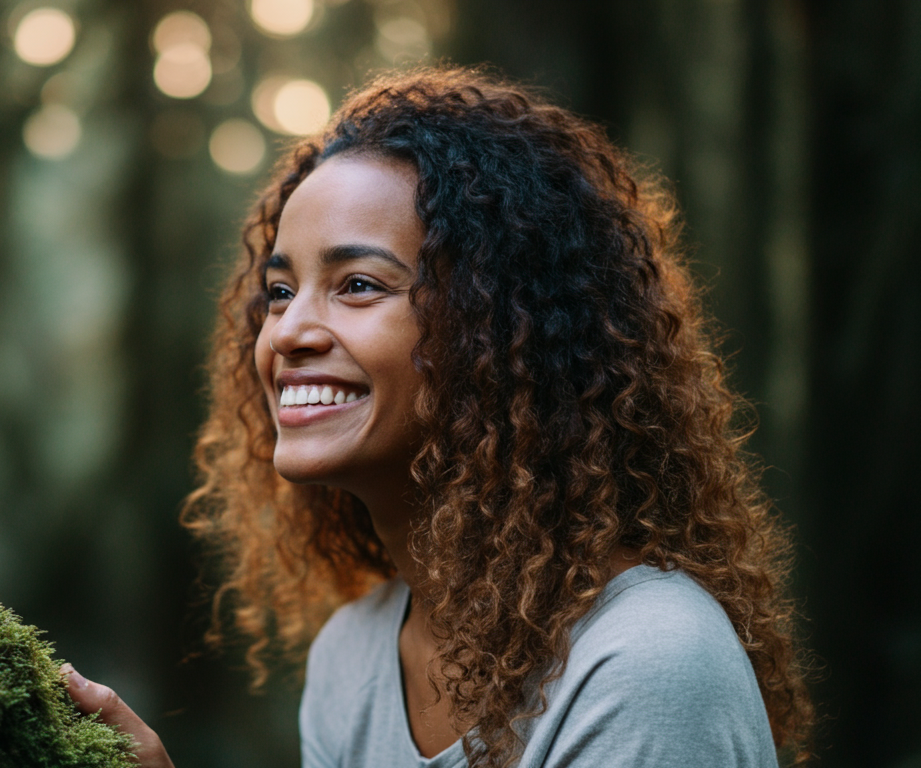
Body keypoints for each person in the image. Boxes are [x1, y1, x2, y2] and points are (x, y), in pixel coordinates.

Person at [63, 67, 813, 768]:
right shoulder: (350, 661)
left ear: (506, 327)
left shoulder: (646, 659)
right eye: (281, 291)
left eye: (357, 284)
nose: (287, 332)